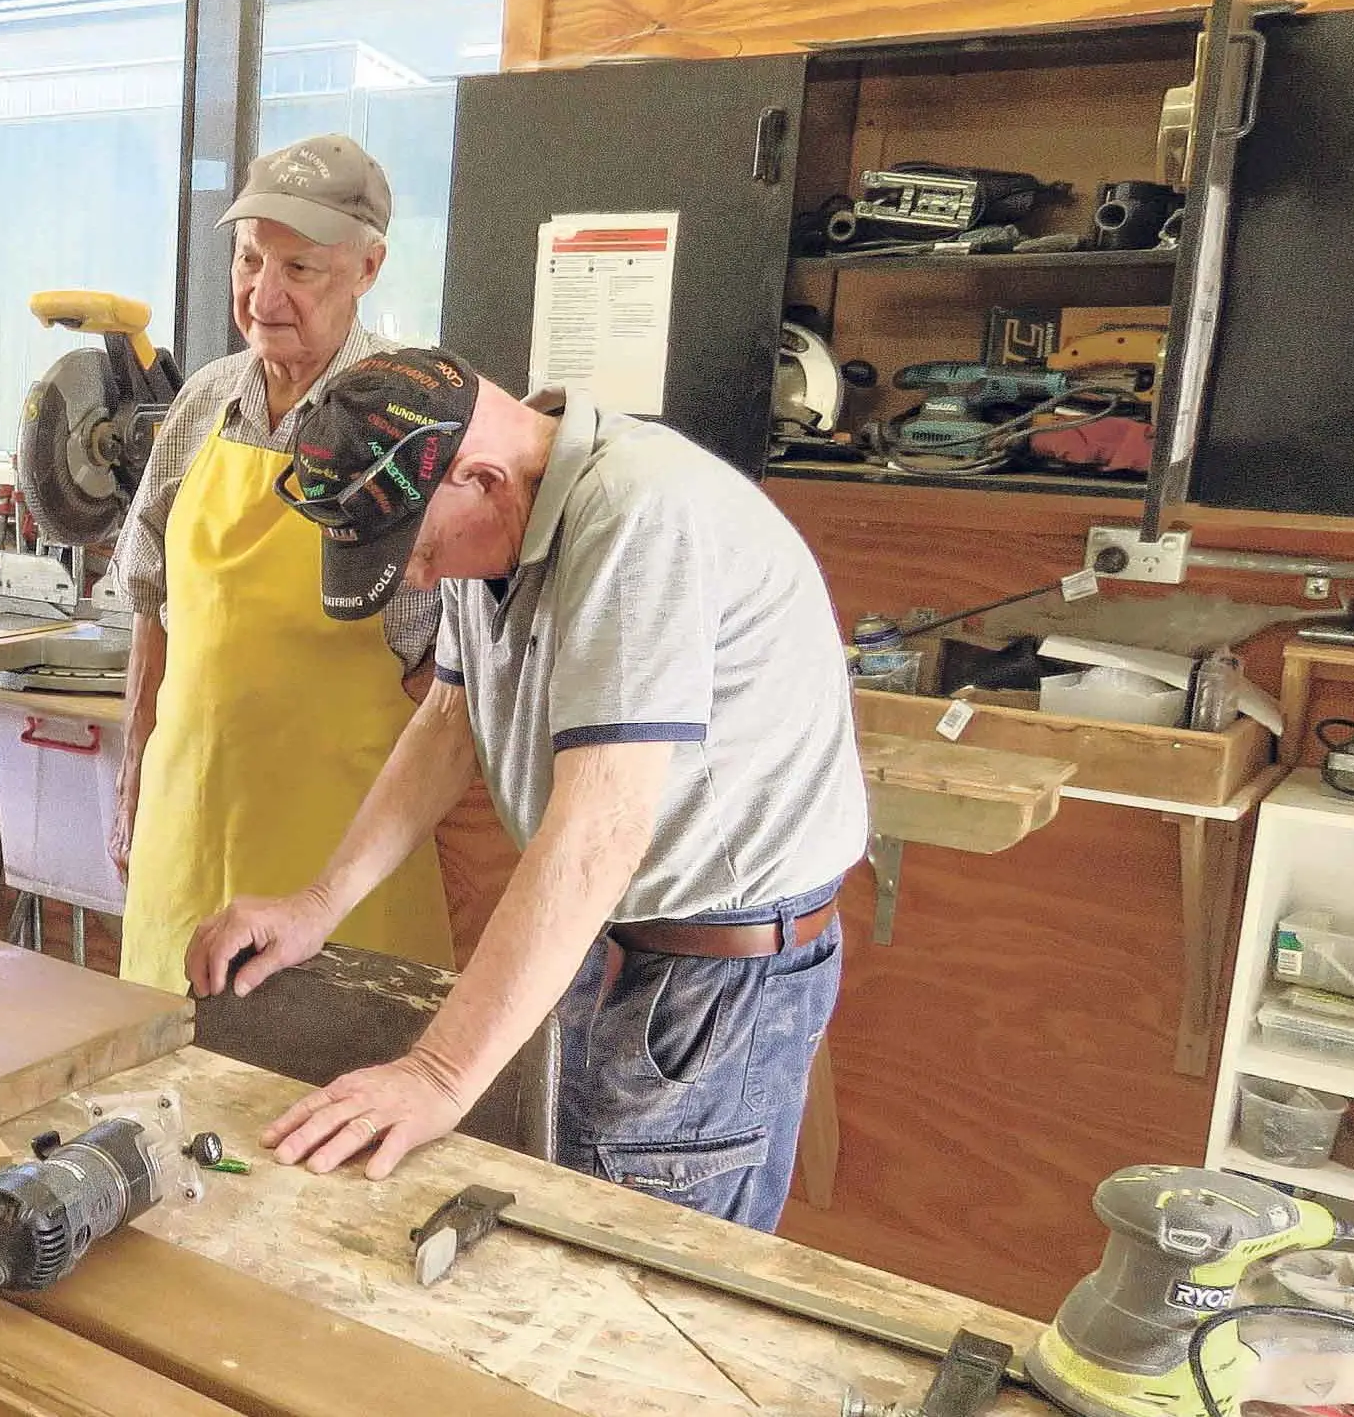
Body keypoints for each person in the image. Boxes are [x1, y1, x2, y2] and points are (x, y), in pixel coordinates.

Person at [185, 348, 862, 1231]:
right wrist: (319, 903)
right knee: (564, 1222)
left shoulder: (638, 516)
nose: (421, 578)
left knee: (645, 1280)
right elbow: (446, 723)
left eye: (421, 551)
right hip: (614, 934)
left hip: (715, 979)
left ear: (482, 479)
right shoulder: (504, 517)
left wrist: (436, 1075)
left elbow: (598, 834)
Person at [108, 134, 456, 993]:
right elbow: (150, 602)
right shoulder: (202, 401)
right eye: (248, 259)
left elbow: (443, 682)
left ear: (368, 268)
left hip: (334, 854)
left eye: (299, 270)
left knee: (315, 1091)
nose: (262, 295)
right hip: (186, 826)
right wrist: (133, 772)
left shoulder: (404, 418)